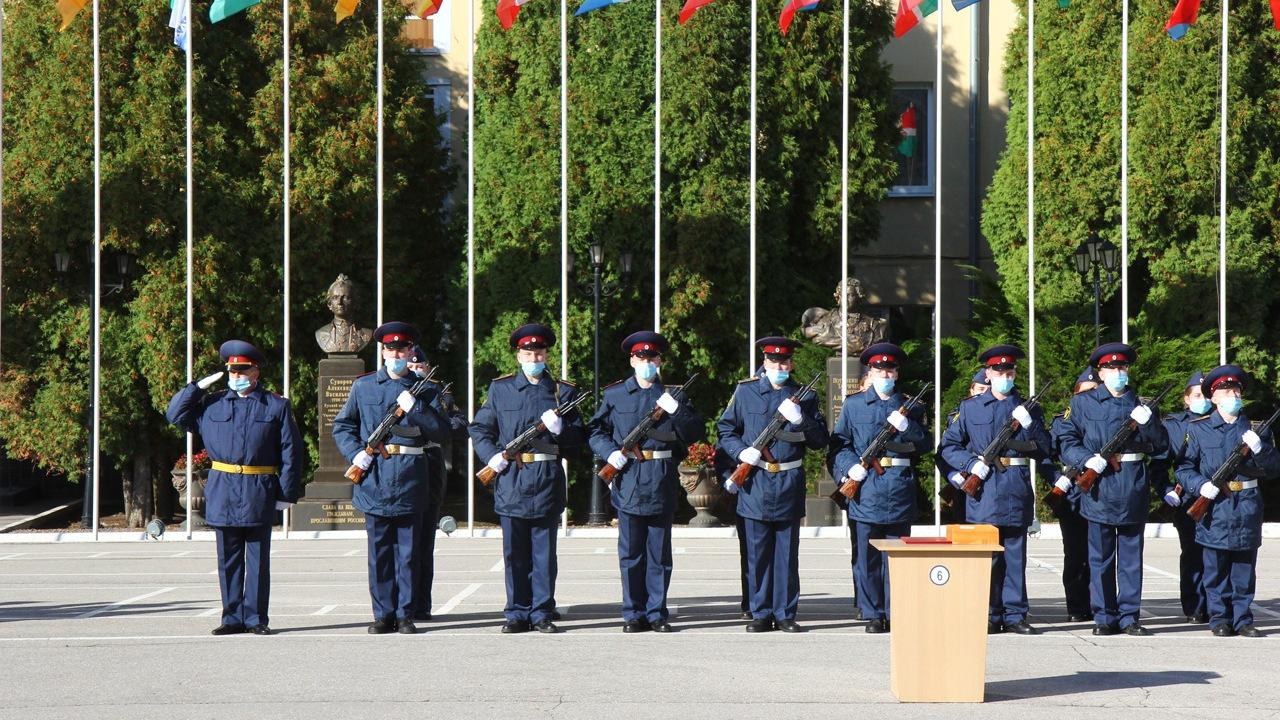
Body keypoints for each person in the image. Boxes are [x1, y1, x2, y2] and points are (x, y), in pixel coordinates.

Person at [166, 340, 303, 636]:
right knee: (227, 560)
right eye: (232, 369)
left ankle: (255, 619)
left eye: (242, 369)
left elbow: (291, 452)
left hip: (258, 488)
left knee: (256, 560)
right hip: (223, 489)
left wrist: (286, 494)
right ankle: (231, 617)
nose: (236, 374)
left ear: (256, 372)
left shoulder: (276, 405)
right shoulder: (211, 404)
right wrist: (196, 387)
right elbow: (175, 414)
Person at [332, 322, 450, 635]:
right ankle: (383, 613)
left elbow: (443, 431)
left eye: (402, 348)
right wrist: (356, 453)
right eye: (391, 348)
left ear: (411, 351)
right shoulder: (364, 386)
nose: (396, 353)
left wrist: (419, 408)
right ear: (383, 351)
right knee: (380, 552)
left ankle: (405, 613)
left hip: (412, 477)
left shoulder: (425, 388)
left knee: (409, 552)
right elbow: (343, 426)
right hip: (375, 477)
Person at [469, 323, 586, 634]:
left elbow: (579, 440)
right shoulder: (501, 388)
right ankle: (517, 612)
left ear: (547, 353)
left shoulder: (563, 392)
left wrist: (563, 431)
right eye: (528, 352)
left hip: (546, 478)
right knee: (515, 554)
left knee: (543, 554)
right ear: (518, 355)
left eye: (539, 351)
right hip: (512, 479)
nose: (534, 356)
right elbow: (480, 429)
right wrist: (492, 455)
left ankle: (542, 611)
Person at [588, 331, 704, 633]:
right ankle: (633, 613)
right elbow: (596, 431)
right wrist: (609, 453)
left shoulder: (673, 395)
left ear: (660, 360)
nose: (647, 362)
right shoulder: (615, 395)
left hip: (661, 479)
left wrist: (677, 411)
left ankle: (656, 612)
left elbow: (693, 432)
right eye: (641, 357)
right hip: (629, 479)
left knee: (659, 555)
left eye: (652, 357)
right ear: (632, 360)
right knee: (630, 553)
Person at [715, 336, 829, 633]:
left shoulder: (804, 396)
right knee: (757, 552)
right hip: (755, 481)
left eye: (786, 362)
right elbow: (725, 430)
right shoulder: (746, 391)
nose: (781, 366)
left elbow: (820, 441)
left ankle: (786, 612)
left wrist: (802, 420)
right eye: (775, 361)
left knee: (786, 554)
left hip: (788, 481)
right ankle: (761, 612)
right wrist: (741, 452)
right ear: (765, 362)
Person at [937, 344, 1051, 635]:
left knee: (1015, 556)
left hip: (1015, 487)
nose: (1005, 376)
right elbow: (949, 446)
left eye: (1010, 372)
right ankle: (989, 612)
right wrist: (969, 464)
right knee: (988, 556)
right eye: (999, 371)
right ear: (988, 373)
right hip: (984, 489)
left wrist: (1031, 427)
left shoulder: (1029, 409)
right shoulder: (970, 407)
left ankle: (1015, 614)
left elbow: (1046, 449)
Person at [1056, 342, 1169, 636]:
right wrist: (1085, 459)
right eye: (1112, 368)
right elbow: (1066, 441)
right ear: (1101, 372)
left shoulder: (1140, 406)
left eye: (1123, 367)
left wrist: (1150, 424)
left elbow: (1160, 446)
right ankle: (1104, 616)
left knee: (1131, 558)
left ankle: (1130, 616)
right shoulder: (1082, 403)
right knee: (1100, 557)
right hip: (1100, 487)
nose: (1119, 372)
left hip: (1132, 484)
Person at [827, 342, 931, 633]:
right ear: (870, 372)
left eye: (890, 369)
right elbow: (839, 445)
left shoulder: (913, 406)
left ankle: (895, 609)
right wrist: (850, 466)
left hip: (898, 487)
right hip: (865, 488)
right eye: (879, 369)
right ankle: (873, 611)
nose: (885, 373)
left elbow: (924, 445)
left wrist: (907, 426)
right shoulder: (854, 404)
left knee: (897, 556)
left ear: (897, 373)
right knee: (867, 555)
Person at [1176, 365, 1280, 637]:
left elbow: (1273, 469)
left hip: (1246, 503)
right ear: (1213, 397)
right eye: (1225, 390)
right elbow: (1184, 467)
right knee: (1216, 568)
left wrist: (1261, 449)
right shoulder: (1199, 430)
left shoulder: (1256, 430)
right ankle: (1219, 618)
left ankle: (1243, 618)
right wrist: (1200, 486)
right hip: (1215, 505)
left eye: (1236, 390)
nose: (1232, 394)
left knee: (1244, 569)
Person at [406, 344, 469, 622]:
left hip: (430, 460)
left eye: (420, 367)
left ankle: (421, 603)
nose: (416, 371)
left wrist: (434, 424)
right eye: (412, 367)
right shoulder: (394, 391)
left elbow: (460, 423)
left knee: (424, 538)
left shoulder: (438, 393)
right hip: (403, 461)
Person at [1148, 370, 1210, 624]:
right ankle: (1195, 605)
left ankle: (1218, 604)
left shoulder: (1223, 420)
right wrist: (1165, 489)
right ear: (1186, 399)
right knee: (1193, 554)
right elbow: (1160, 463)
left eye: (1206, 394)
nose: (1202, 399)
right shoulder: (1174, 426)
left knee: (1218, 555)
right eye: (1196, 395)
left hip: (1221, 498)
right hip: (1188, 499)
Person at [1046, 366, 1099, 623]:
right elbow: (1049, 453)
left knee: (1100, 552)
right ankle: (1077, 606)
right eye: (1085, 392)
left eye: (1095, 391)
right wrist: (1061, 478)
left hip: (1101, 491)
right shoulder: (1062, 420)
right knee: (1076, 553)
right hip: (1074, 493)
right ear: (1075, 394)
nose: (1090, 395)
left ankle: (1100, 603)